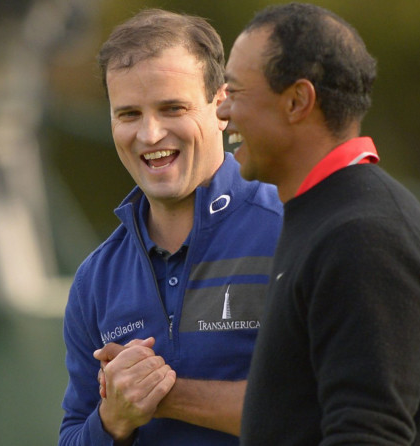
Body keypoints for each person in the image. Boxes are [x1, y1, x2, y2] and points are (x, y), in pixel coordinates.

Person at [216, 3, 420, 445]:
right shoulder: (326, 217)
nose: (222, 111)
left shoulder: (366, 238)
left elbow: (366, 436)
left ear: (297, 101)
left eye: (234, 91)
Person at [58, 9, 283, 446]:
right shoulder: (96, 278)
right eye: (128, 114)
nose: (150, 133)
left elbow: (327, 411)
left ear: (222, 106)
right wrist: (113, 419)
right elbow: (72, 434)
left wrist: (162, 395)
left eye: (172, 108)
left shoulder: (292, 231)